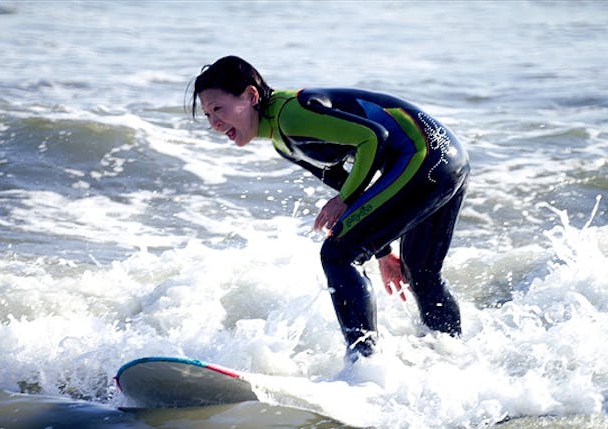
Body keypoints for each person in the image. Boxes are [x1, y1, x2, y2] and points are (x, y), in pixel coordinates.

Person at [191, 56, 469, 360]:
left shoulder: (291, 116)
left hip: (425, 157)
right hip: (447, 161)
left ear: (251, 96)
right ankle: (451, 358)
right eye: (207, 115)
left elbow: (373, 138)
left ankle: (363, 364)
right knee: (422, 273)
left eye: (218, 109)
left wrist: (344, 201)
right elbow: (347, 181)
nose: (214, 123)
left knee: (338, 255)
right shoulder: (283, 142)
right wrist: (383, 251)